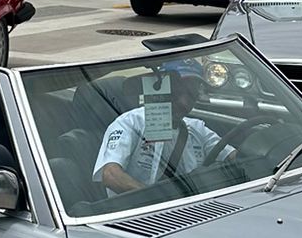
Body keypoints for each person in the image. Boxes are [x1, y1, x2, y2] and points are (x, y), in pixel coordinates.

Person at [93, 62, 236, 196]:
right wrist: (156, 199)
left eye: (191, 95)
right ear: (161, 88)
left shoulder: (197, 128)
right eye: (177, 92)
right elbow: (111, 175)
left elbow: (234, 157)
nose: (184, 103)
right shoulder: (130, 123)